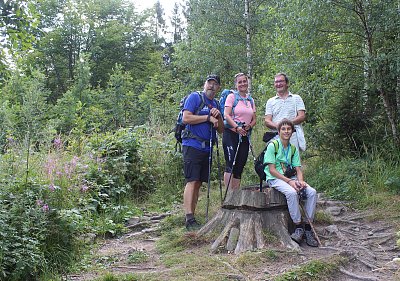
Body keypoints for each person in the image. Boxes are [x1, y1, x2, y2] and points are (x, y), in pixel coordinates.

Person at [264, 119, 318, 246]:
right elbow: (271, 170)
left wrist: (301, 181)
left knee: (311, 192)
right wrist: (290, 182)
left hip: (291, 178)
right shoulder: (273, 146)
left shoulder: (293, 149)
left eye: (289, 129)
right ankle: (298, 226)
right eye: (283, 129)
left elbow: (298, 169)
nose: (286, 131)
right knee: (292, 193)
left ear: (292, 131)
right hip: (275, 178)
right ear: (278, 131)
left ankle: (308, 227)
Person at [182, 74, 224, 231]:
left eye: (215, 84)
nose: (211, 86)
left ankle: (192, 215)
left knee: (198, 182)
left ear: (218, 87)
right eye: (209, 83)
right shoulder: (194, 97)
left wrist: (218, 117)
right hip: (192, 145)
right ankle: (189, 218)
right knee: (192, 181)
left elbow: (220, 130)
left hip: (207, 148)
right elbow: (186, 118)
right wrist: (207, 117)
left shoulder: (216, 103)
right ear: (204, 84)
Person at [222, 73, 256, 190]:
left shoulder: (250, 99)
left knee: (240, 165)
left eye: (244, 81)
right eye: (240, 82)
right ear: (236, 84)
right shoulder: (231, 97)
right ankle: (228, 196)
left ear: (247, 82)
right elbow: (226, 115)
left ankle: (235, 195)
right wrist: (237, 127)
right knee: (231, 164)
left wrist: (249, 126)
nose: (242, 84)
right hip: (231, 133)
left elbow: (254, 118)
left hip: (245, 135)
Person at [264, 73, 306, 149]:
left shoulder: (296, 98)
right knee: (276, 160)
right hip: (276, 137)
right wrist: (280, 127)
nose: (278, 84)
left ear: (287, 83)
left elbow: (302, 116)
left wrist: (287, 126)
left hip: (293, 136)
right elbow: (267, 121)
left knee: (293, 159)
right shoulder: (270, 101)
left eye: (281, 81)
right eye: (276, 82)